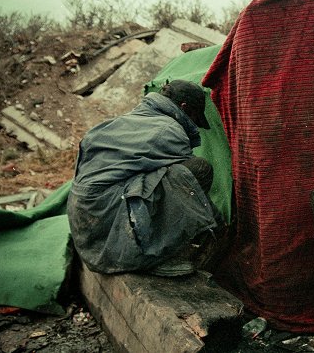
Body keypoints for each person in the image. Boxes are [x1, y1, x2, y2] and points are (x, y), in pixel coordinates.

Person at [67, 80, 220, 276]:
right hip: (109, 228)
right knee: (198, 170)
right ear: (183, 108)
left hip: (86, 228)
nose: (193, 125)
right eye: (194, 117)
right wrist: (214, 223)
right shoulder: (170, 130)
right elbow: (188, 189)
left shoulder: (131, 119)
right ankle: (157, 256)